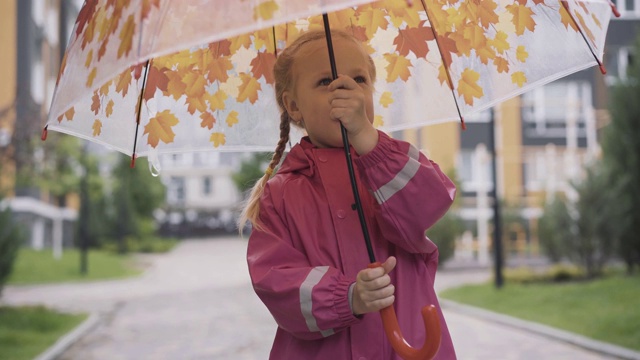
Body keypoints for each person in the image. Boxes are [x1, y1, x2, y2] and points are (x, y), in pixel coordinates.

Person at [239, 29, 457, 359]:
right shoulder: (281, 193)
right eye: (326, 81)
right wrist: (348, 297)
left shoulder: (390, 161)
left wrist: (367, 137)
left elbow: (431, 200)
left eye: (358, 79)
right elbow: (275, 280)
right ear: (293, 106)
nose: (345, 90)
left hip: (410, 342)